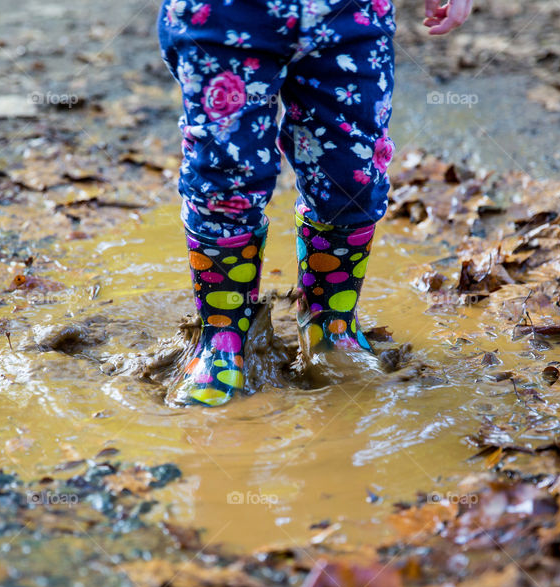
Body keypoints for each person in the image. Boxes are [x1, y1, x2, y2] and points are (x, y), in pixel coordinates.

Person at [158, 0, 472, 407]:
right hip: (224, 15)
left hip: (347, 13)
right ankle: (222, 335)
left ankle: (330, 322)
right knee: (225, 176)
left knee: (352, 170)